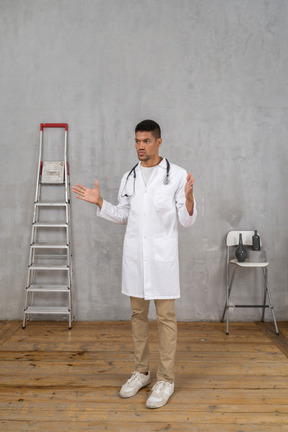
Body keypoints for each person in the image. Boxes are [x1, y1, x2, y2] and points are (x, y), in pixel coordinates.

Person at [72, 119, 197, 409]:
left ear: (159, 142)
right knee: (138, 316)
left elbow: (187, 220)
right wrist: (100, 202)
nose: (141, 147)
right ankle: (141, 372)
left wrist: (189, 199)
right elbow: (124, 215)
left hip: (162, 260)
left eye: (146, 141)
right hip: (135, 259)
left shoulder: (176, 176)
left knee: (166, 318)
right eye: (137, 141)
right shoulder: (129, 177)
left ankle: (166, 379)